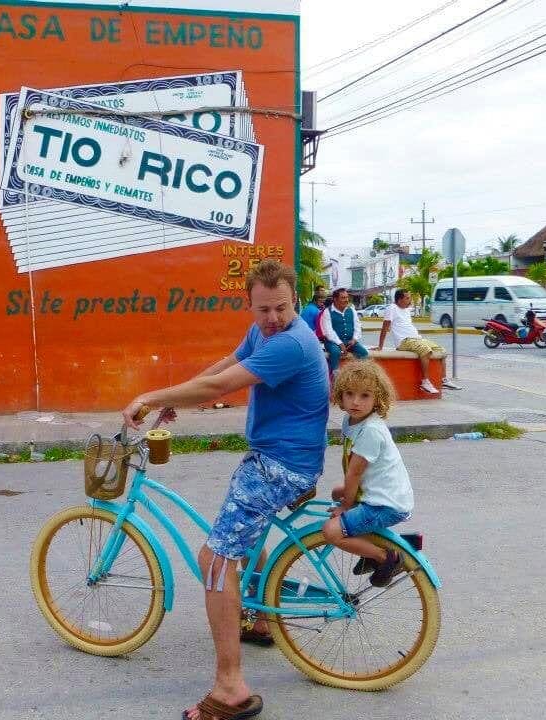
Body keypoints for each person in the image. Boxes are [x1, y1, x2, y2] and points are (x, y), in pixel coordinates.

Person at [121, 259, 329, 720]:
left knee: (214, 559)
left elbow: (222, 384)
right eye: (263, 310)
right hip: (279, 458)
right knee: (240, 538)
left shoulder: (291, 343)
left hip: (281, 466)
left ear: (295, 300)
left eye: (281, 308)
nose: (272, 318)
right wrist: (182, 397)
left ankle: (230, 686)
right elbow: (224, 368)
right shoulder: (264, 334)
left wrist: (153, 396)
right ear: (250, 306)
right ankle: (257, 616)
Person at [321, 360, 413, 587]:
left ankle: (386, 558)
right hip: (377, 491)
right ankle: (367, 549)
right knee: (336, 492)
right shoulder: (351, 421)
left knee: (331, 532)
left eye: (365, 396)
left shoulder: (371, 430)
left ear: (377, 398)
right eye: (349, 394)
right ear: (340, 395)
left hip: (386, 503)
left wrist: (345, 506)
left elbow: (354, 474)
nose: (355, 402)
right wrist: (344, 497)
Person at [376, 289, 461, 394]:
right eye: (407, 298)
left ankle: (443, 380)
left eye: (409, 298)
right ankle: (425, 382)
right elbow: (385, 328)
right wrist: (380, 346)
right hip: (404, 341)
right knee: (425, 350)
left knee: (441, 351)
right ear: (399, 300)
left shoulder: (407, 310)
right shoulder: (392, 308)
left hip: (417, 339)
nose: (410, 300)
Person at [318, 287, 369, 375]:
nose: (346, 300)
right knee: (335, 352)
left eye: (347, 297)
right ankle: (335, 376)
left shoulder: (352, 310)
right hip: (332, 342)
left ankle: (359, 375)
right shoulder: (327, 312)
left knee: (363, 353)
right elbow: (328, 332)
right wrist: (340, 343)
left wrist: (354, 339)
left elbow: (358, 327)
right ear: (335, 299)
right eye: (343, 298)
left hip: (350, 341)